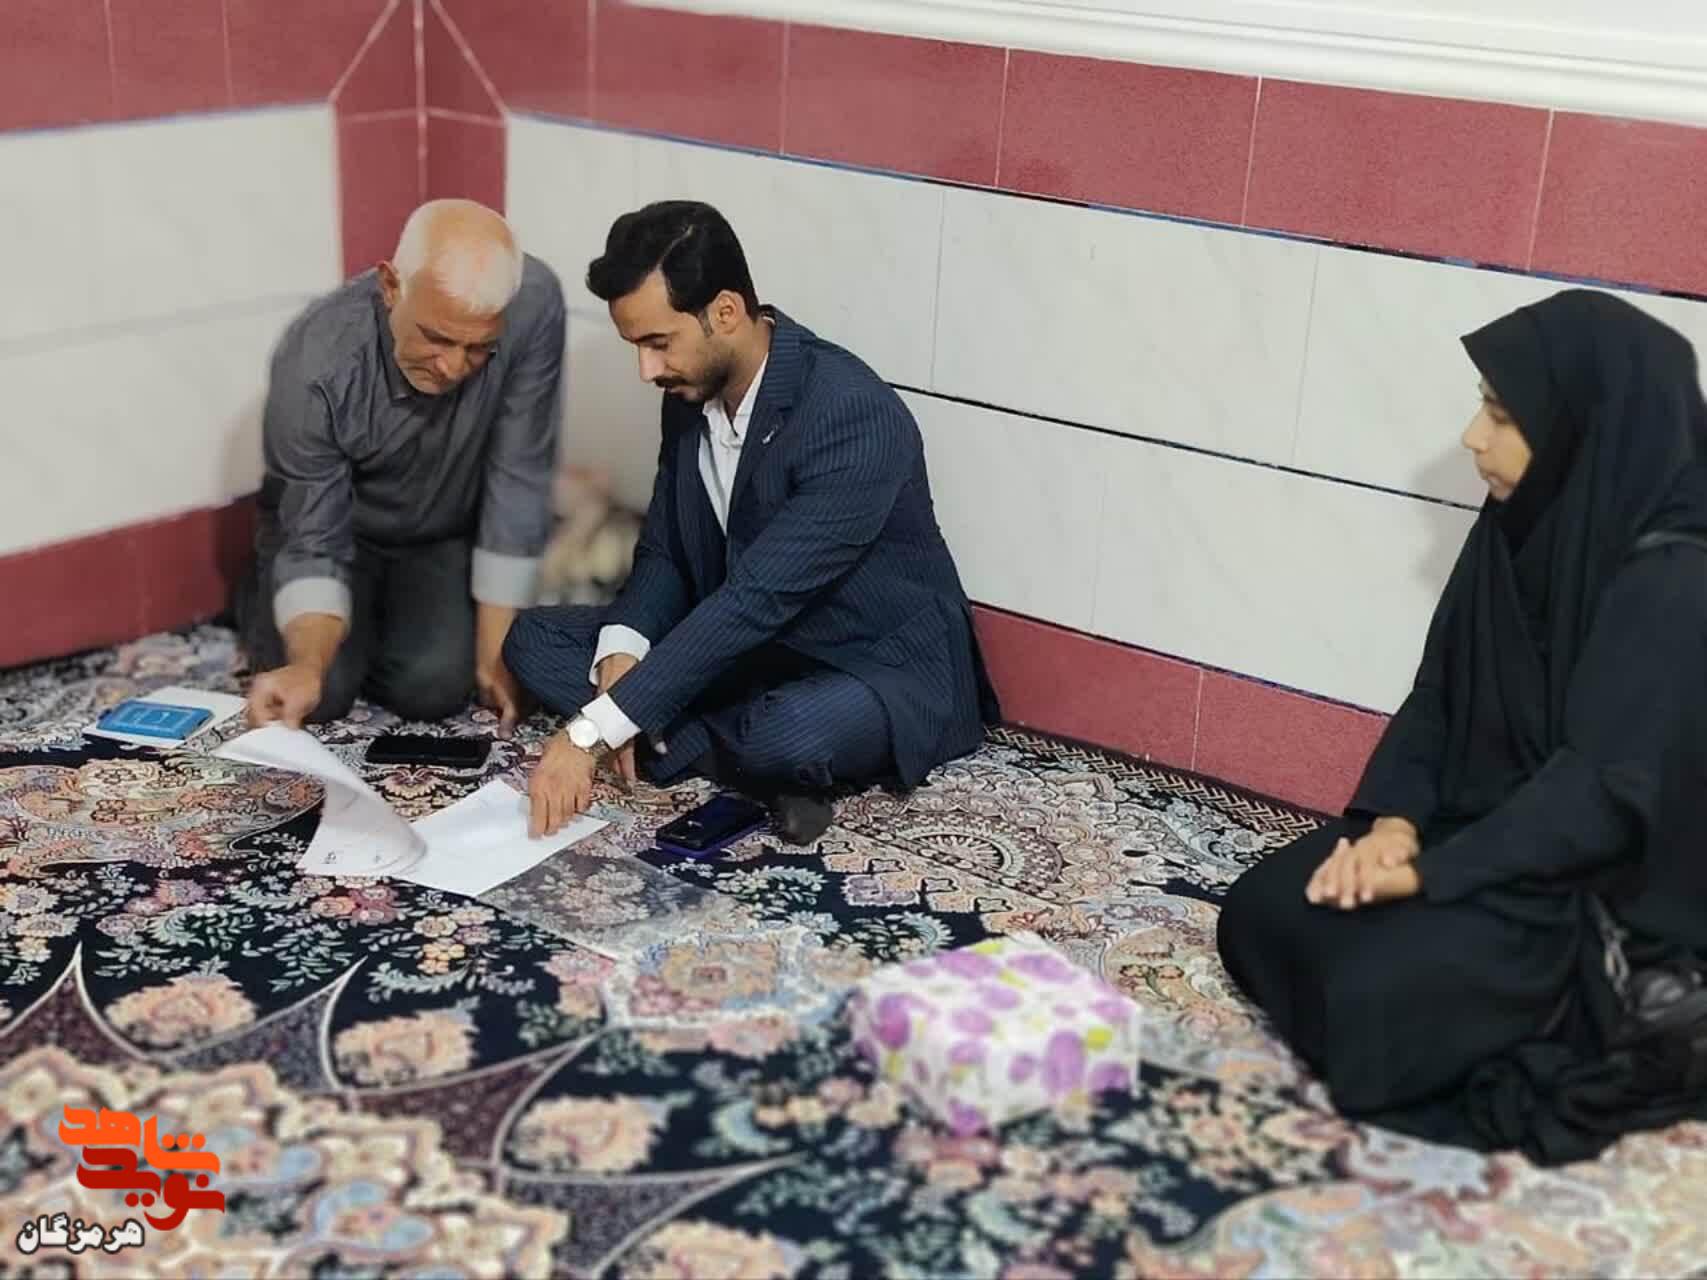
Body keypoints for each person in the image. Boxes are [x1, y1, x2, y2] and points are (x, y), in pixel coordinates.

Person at [1216, 290, 1707, 1164]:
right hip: (1487, 830)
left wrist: (1426, 876)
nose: (1473, 438)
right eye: (1481, 406)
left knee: (1377, 994)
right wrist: (1393, 828)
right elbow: (1440, 691)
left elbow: (1600, 793)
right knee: (1264, 908)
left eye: (1501, 416)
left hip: (1604, 888)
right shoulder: (1527, 513)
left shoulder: (1675, 577)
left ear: (1585, 431)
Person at [503, 200, 998, 844]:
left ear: (726, 312)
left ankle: (718, 745)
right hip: (753, 650)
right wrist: (625, 651)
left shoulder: (853, 415)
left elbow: (756, 599)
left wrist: (591, 731)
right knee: (535, 640)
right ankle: (760, 769)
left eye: (658, 343)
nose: (646, 370)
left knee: (784, 732)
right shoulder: (689, 395)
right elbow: (665, 550)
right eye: (637, 347)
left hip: (870, 663)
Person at [238, 199, 565, 732]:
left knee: (435, 688)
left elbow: (520, 473)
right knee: (323, 693)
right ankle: (265, 594)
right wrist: (307, 665)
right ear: (391, 286)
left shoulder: (533, 303)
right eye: (437, 337)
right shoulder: (315, 360)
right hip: (333, 528)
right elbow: (313, 539)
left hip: (439, 533)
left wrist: (496, 654)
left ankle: (374, 624)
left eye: (479, 348)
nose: (453, 367)